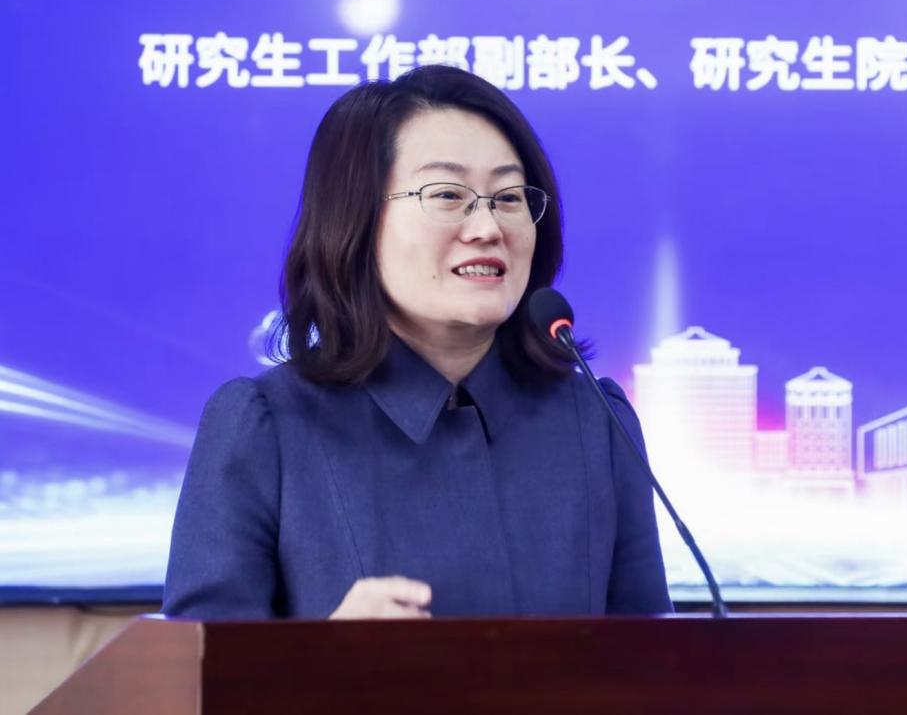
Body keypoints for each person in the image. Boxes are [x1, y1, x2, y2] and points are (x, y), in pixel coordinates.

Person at [163, 65, 672, 620]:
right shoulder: (266, 426)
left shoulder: (596, 421)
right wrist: (321, 659)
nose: (487, 227)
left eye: (508, 198)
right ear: (356, 219)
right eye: (448, 194)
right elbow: (197, 668)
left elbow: (657, 659)